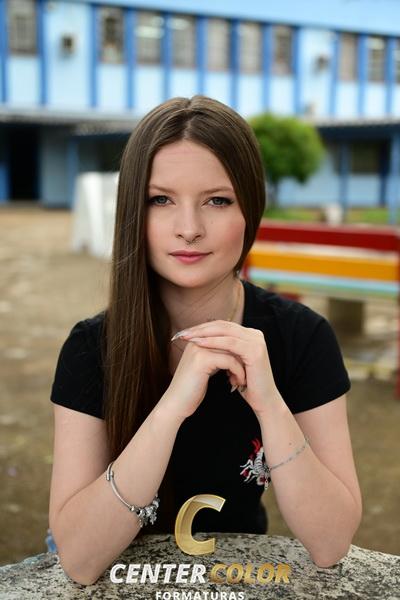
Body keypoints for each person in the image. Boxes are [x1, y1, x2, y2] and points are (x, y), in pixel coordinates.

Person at [47, 95, 362, 585]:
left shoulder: (302, 337)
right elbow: (80, 559)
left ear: (250, 208)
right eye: (160, 200)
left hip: (238, 581)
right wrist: (172, 408)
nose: (189, 229)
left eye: (217, 200)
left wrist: (270, 403)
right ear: (132, 212)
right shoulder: (92, 349)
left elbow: (331, 542)